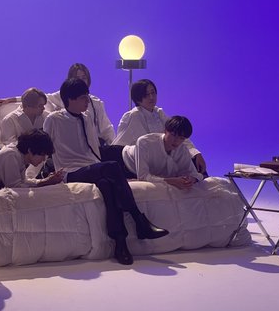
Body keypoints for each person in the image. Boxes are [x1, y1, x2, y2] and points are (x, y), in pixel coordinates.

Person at [43, 78, 168, 266]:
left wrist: (107, 173)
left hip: (92, 168)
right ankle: (139, 220)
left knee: (107, 186)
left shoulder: (86, 118)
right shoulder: (54, 119)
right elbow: (44, 149)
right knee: (111, 166)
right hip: (71, 171)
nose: (88, 101)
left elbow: (93, 150)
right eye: (83, 98)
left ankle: (120, 244)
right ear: (70, 99)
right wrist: (34, 178)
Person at [0, 63, 116, 145]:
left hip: (94, 145)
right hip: (69, 145)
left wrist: (113, 146)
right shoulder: (61, 97)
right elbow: (36, 98)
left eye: (84, 77)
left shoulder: (96, 103)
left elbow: (106, 129)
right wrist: (11, 99)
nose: (81, 81)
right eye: (77, 78)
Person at [113, 78, 208, 175]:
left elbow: (177, 132)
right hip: (132, 162)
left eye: (153, 93)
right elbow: (121, 144)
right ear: (137, 98)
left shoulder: (158, 112)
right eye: (146, 95)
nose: (151, 97)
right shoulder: (133, 115)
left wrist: (196, 153)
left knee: (193, 162)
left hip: (157, 158)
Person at [122, 116, 204, 190]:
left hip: (151, 172)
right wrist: (172, 181)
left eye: (181, 138)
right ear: (165, 131)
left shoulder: (182, 149)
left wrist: (192, 179)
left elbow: (195, 174)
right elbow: (143, 177)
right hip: (124, 161)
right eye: (173, 135)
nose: (176, 141)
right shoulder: (145, 142)